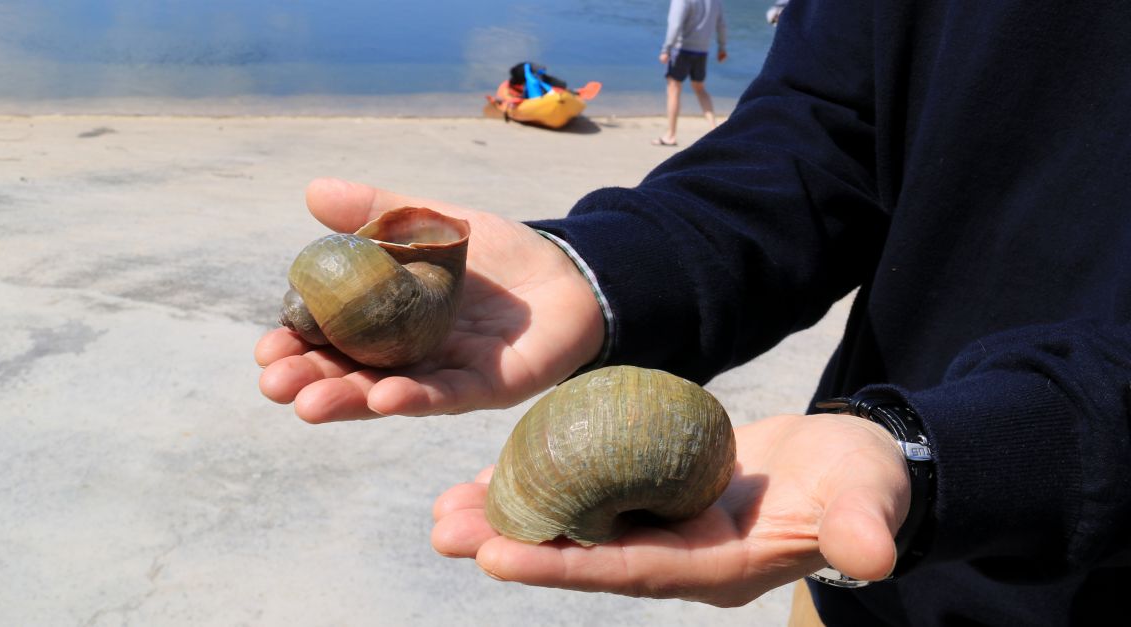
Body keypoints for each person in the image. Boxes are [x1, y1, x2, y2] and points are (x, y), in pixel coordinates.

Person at [255, 0, 1131, 624]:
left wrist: (967, 453)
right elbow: (825, 134)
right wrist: (600, 269)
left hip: (947, 501)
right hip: (861, 572)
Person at [654, 0, 727, 147]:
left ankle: (671, 135)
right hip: (702, 51)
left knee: (673, 89)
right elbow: (722, 25)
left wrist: (666, 49)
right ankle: (714, 130)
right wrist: (722, 47)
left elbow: (675, 24)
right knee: (700, 89)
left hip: (681, 49)